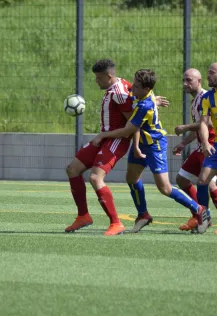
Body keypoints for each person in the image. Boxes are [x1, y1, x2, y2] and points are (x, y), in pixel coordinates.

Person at [91, 68, 208, 234]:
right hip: (142, 145)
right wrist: (137, 146)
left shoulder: (144, 105)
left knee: (165, 187)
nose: (132, 89)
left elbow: (127, 130)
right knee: (131, 178)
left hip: (155, 146)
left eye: (137, 87)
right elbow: (136, 126)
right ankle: (143, 215)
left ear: (146, 89)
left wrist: (102, 135)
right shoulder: (144, 97)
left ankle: (199, 210)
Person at [65, 59, 169, 236]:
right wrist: (154, 100)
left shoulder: (119, 92)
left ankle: (116, 223)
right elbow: (138, 102)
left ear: (109, 75)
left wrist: (135, 145)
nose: (96, 81)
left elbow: (133, 122)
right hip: (104, 138)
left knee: (96, 178)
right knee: (73, 169)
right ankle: (83, 216)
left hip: (115, 140)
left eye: (99, 78)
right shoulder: (120, 87)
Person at [173, 68, 217, 231]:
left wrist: (186, 127)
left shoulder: (205, 98)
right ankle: (199, 214)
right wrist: (184, 143)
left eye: (189, 80)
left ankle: (202, 216)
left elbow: (209, 123)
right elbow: (200, 128)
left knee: (209, 184)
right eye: (184, 80)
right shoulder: (198, 100)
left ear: (199, 81)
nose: (185, 83)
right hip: (201, 147)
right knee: (182, 179)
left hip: (210, 145)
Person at [196, 63, 217, 234]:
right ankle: (204, 217)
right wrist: (205, 143)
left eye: (211, 73)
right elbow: (203, 123)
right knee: (202, 180)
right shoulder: (207, 97)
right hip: (215, 145)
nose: (208, 76)